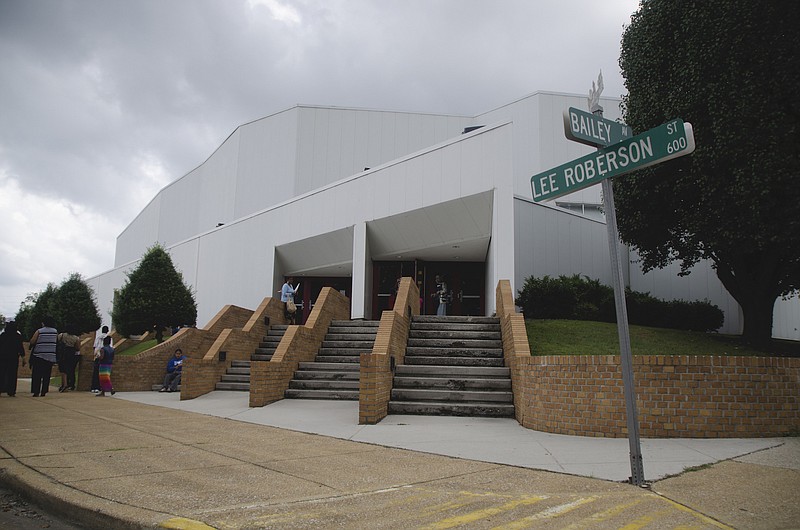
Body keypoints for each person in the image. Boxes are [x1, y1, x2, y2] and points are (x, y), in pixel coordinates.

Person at [29, 316, 58, 397]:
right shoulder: (55, 332)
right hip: (50, 356)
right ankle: (44, 391)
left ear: (44, 323)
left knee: (37, 374)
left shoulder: (39, 331)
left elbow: (33, 341)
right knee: (46, 374)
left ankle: (36, 391)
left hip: (39, 355)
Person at [0, 321, 25, 396]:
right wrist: (23, 357)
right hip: (13, 357)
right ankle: (11, 391)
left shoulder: (3, 335)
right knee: (13, 374)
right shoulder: (17, 336)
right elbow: (20, 348)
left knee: (2, 373)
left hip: (3, 357)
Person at [57, 325, 81, 392]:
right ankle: (71, 384)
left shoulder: (61, 335)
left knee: (62, 369)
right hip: (71, 353)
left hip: (62, 353)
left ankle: (64, 384)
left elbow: (57, 342)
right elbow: (78, 348)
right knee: (71, 369)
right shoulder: (76, 338)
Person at [91, 326, 111, 393]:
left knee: (95, 373)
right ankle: (101, 388)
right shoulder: (109, 338)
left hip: (97, 356)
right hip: (105, 359)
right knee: (104, 374)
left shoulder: (98, 337)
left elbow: (94, 347)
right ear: (107, 330)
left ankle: (94, 387)